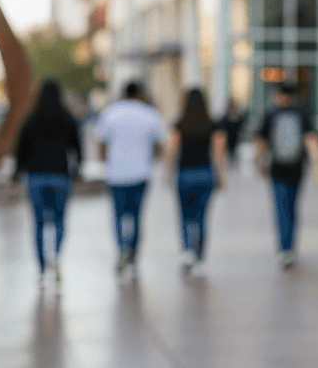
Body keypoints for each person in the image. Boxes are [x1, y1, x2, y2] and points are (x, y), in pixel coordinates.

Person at [13, 79, 82, 285]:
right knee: (59, 220)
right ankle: (55, 255)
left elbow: (20, 150)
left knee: (39, 222)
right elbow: (77, 148)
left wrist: (16, 174)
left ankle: (42, 267)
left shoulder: (31, 119)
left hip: (36, 177)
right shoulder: (67, 119)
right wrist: (78, 171)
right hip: (60, 175)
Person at [94, 81, 165, 277]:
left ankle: (121, 249)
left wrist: (108, 160)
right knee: (136, 216)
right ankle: (132, 256)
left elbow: (100, 144)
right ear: (140, 93)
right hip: (141, 174)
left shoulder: (110, 113)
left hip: (116, 174)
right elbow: (159, 147)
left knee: (119, 215)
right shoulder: (150, 114)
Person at [255, 84, 318, 269]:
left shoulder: (271, 113)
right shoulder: (302, 112)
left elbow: (261, 141)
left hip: (277, 169)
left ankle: (284, 248)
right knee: (293, 207)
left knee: (280, 208)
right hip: (297, 168)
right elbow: (311, 140)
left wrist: (259, 162)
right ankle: (291, 247)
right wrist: (317, 165)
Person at [169, 88, 225, 275]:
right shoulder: (211, 123)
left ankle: (187, 251)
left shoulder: (180, 123)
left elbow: (172, 148)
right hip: (205, 173)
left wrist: (168, 171)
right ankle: (200, 257)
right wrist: (220, 175)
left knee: (185, 215)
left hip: (184, 173)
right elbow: (219, 151)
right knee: (201, 217)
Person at [217, 99, 246, 180]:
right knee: (229, 152)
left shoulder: (238, 116)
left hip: (235, 137)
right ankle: (230, 165)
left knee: (234, 152)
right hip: (229, 137)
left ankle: (234, 165)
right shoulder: (227, 116)